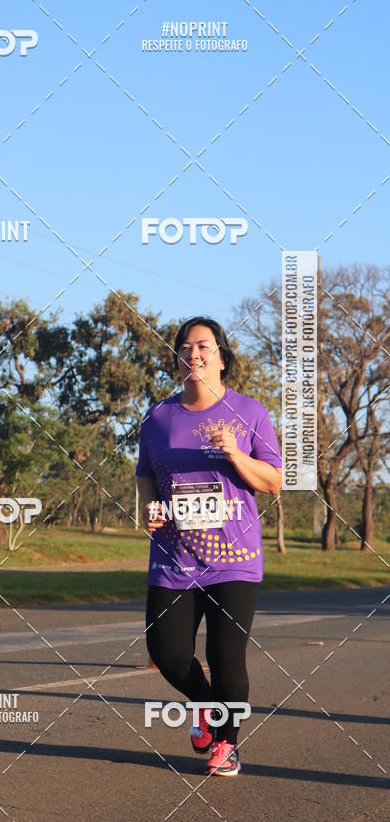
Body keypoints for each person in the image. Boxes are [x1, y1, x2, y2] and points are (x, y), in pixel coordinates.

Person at [136, 317, 282, 777]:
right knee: (167, 651)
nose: (193, 354)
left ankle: (228, 745)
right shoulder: (157, 418)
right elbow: (144, 474)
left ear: (222, 356)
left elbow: (274, 482)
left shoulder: (251, 412)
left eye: (202, 346)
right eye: (184, 347)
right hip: (173, 556)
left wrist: (237, 454)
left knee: (225, 657)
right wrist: (151, 507)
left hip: (233, 561)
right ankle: (207, 708)